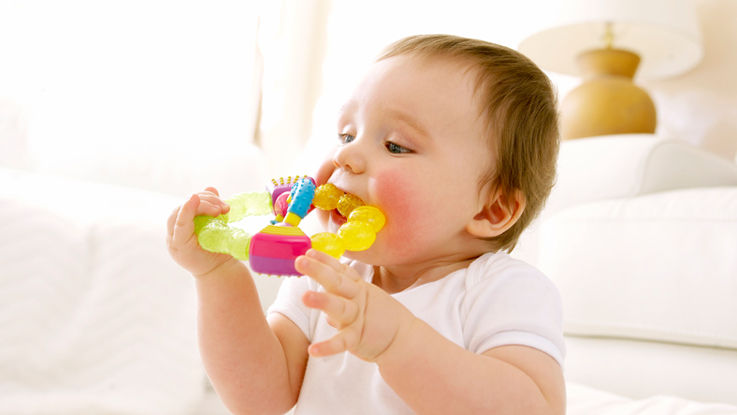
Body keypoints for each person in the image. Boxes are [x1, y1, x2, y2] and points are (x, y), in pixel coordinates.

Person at [167, 34, 565, 414]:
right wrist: (219, 276)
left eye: (395, 145)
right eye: (346, 134)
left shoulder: (501, 290)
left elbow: (533, 409)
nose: (346, 157)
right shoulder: (323, 274)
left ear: (490, 211)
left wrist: (397, 341)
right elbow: (259, 398)